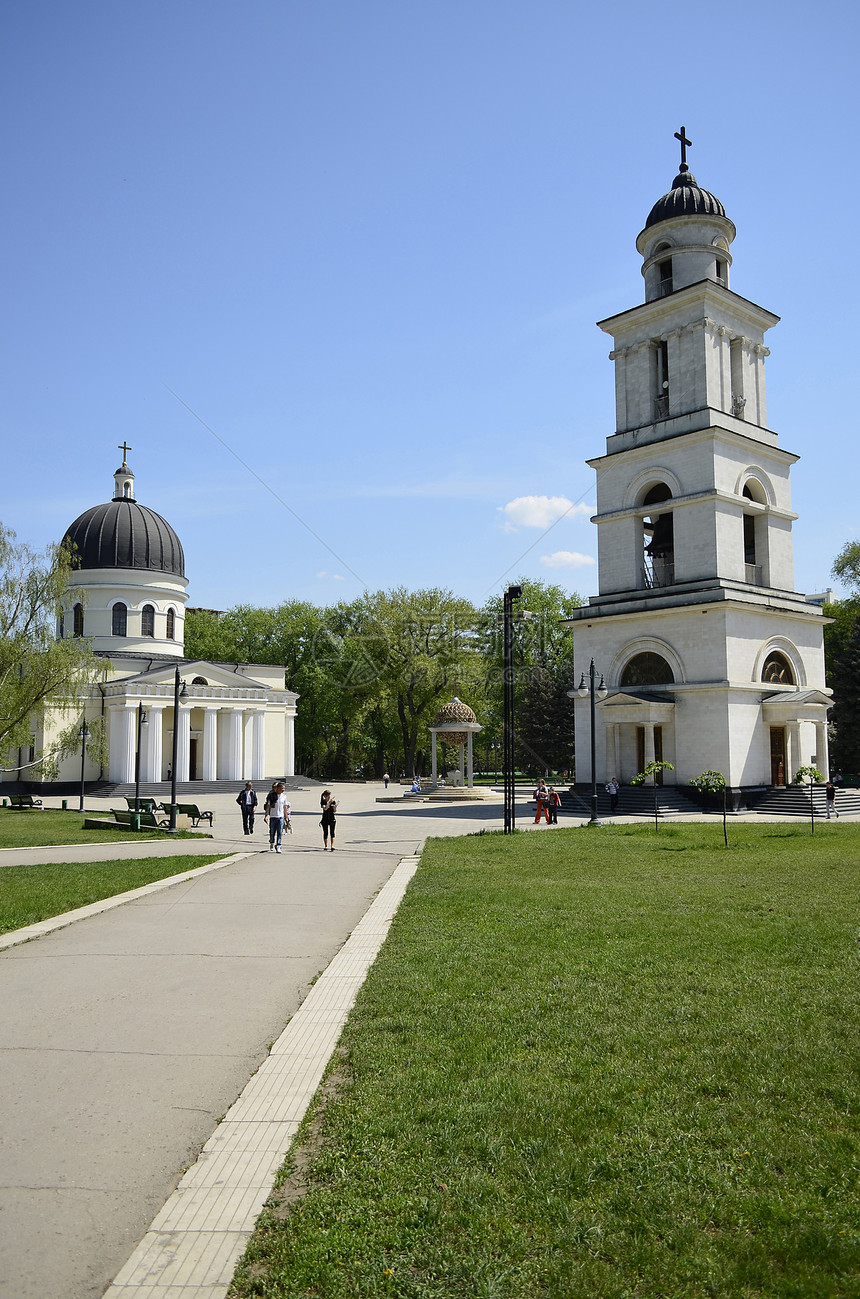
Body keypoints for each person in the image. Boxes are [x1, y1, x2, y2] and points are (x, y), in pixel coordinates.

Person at [264, 782, 290, 853]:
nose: (283, 790)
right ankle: (272, 843)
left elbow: (285, 807)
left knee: (280, 832)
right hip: (273, 816)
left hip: (280, 817)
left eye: (284, 789)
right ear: (277, 788)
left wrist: (286, 817)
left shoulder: (284, 796)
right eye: (282, 788)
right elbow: (268, 806)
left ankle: (278, 845)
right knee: (272, 832)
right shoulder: (272, 796)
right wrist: (266, 815)